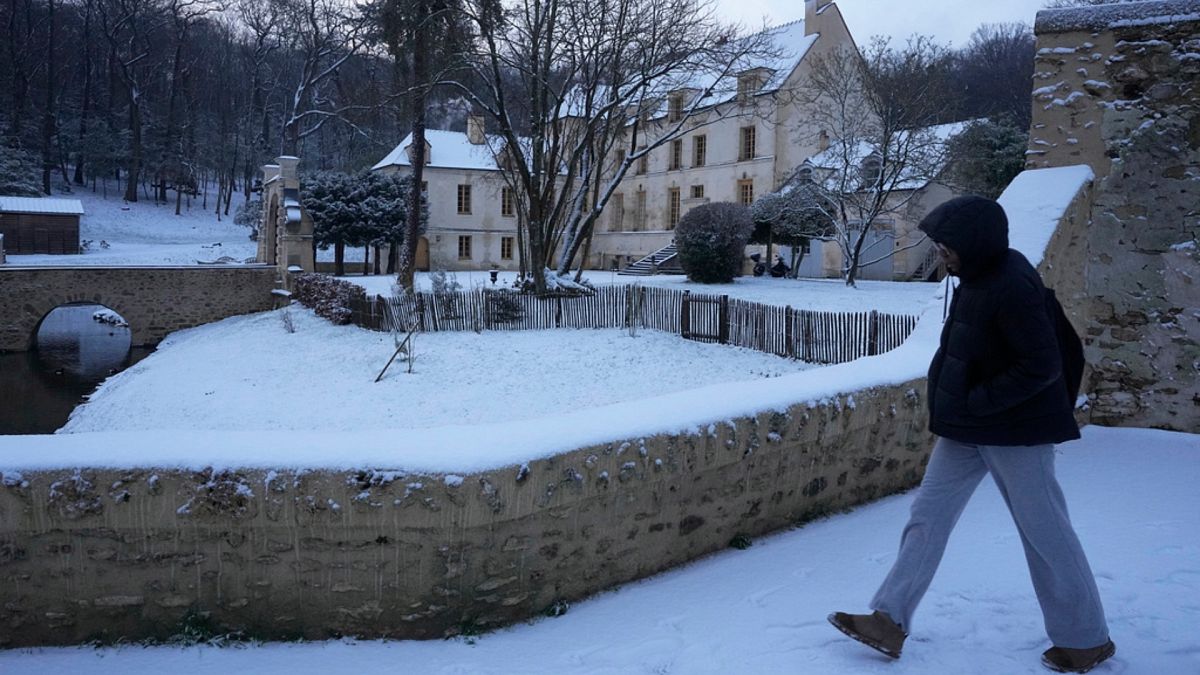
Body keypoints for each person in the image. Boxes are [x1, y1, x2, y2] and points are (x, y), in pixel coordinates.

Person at [827, 196, 1114, 674]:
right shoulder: (977, 277)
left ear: (976, 243)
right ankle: (888, 621)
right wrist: (964, 408)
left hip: (1016, 432)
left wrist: (979, 403)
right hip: (967, 430)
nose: (941, 253)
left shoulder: (1012, 284)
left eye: (947, 246)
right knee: (927, 519)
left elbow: (1041, 366)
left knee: (1045, 534)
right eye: (940, 245)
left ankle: (1086, 640)